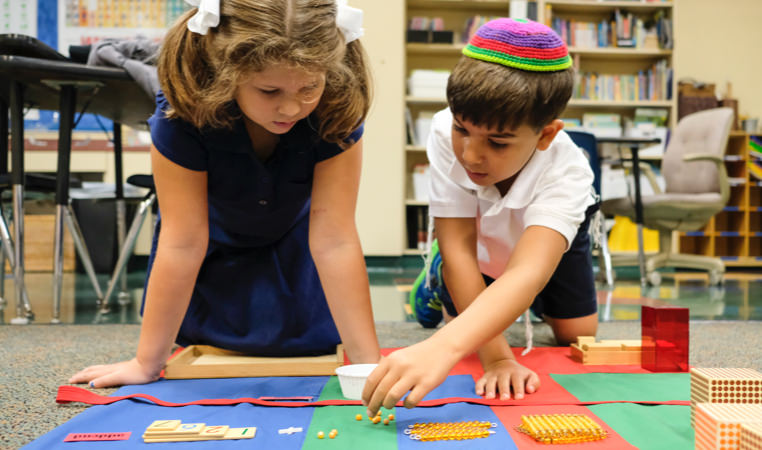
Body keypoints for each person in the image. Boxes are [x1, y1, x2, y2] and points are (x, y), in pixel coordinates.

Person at [70, 0, 380, 388]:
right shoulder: (183, 112)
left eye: (309, 87)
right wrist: (146, 363)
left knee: (308, 347)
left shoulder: (336, 104)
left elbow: (334, 239)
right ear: (225, 71)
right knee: (211, 354)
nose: (291, 106)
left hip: (296, 258)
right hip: (211, 258)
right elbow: (182, 242)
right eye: (269, 90)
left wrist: (369, 366)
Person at [363, 18, 598, 414]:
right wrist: (496, 357)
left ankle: (516, 302)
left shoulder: (569, 171)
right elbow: (458, 249)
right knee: (469, 315)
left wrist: (445, 346)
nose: (470, 155)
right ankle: (437, 281)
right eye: (462, 129)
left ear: (546, 135)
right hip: (477, 239)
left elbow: (528, 270)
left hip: (542, 247)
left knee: (577, 335)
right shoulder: (442, 132)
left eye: (498, 141)